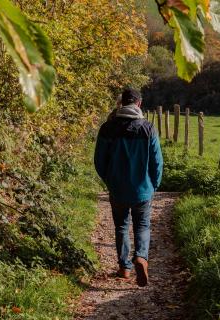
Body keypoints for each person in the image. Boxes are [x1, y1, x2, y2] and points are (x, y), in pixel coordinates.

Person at [94, 88, 163, 287]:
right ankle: (141, 256)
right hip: (143, 189)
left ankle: (124, 268)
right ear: (139, 104)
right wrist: (154, 184)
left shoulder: (107, 128)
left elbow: (99, 160)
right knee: (142, 225)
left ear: (121, 104)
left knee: (121, 226)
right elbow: (157, 162)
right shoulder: (148, 128)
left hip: (118, 188)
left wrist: (109, 180)